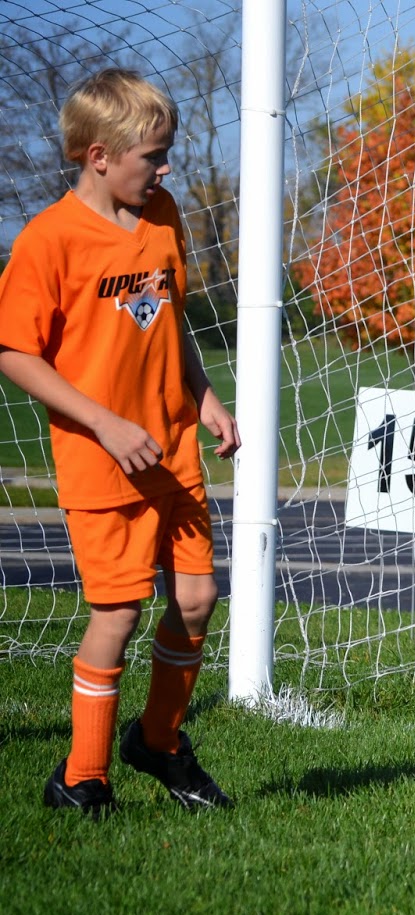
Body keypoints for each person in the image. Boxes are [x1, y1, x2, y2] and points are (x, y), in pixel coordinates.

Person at [0, 68, 240, 817]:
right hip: (102, 463)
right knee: (119, 614)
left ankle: (159, 741)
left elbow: (167, 319)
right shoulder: (48, 241)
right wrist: (103, 423)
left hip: (173, 449)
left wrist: (205, 395)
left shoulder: (162, 215)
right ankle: (81, 776)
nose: (165, 170)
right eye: (152, 156)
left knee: (197, 599)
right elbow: (14, 353)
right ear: (99, 156)